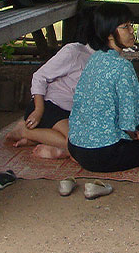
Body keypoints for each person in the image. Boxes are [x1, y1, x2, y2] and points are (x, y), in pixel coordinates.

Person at [66, 3, 139, 173]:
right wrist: (132, 133)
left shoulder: (94, 59)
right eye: (125, 27)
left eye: (130, 25)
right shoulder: (122, 66)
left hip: (75, 146)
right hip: (104, 154)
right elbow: (129, 116)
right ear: (109, 33)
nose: (131, 31)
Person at [6, 10, 94, 160]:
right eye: (124, 27)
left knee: (98, 140)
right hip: (50, 106)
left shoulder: (110, 60)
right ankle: (25, 132)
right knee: (78, 142)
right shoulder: (74, 52)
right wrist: (39, 109)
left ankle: (43, 140)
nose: (131, 32)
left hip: (73, 113)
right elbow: (40, 77)